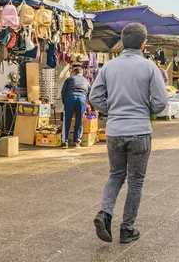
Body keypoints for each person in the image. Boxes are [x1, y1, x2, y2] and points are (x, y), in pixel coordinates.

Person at [90, 23, 168, 244]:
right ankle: (127, 229)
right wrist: (145, 111)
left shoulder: (108, 67)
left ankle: (104, 213)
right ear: (144, 43)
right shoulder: (150, 67)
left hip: (114, 130)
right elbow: (162, 101)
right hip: (139, 131)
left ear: (122, 42)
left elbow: (95, 97)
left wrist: (111, 110)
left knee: (116, 175)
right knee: (135, 182)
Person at [61, 65, 91, 149]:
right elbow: (90, 95)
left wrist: (65, 102)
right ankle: (76, 142)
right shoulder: (86, 81)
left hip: (70, 97)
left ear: (74, 72)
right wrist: (90, 106)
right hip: (82, 99)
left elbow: (63, 92)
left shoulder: (69, 79)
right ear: (82, 73)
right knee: (79, 120)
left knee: (67, 120)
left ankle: (65, 142)